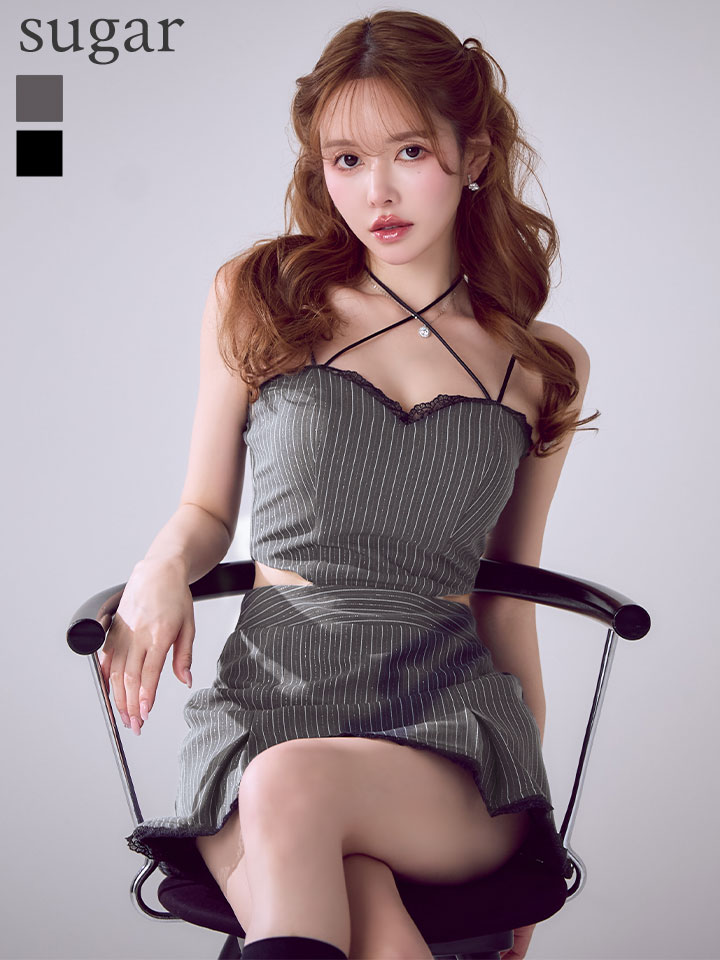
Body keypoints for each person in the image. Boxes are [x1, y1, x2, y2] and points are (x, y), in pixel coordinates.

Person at [100, 10, 596, 960]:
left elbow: (507, 598)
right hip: (266, 710)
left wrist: (530, 821)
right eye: (347, 160)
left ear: (473, 154)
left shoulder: (541, 364)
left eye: (409, 151)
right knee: (342, 872)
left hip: (447, 734)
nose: (378, 191)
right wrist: (160, 566)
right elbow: (206, 508)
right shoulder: (260, 295)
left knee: (295, 792)